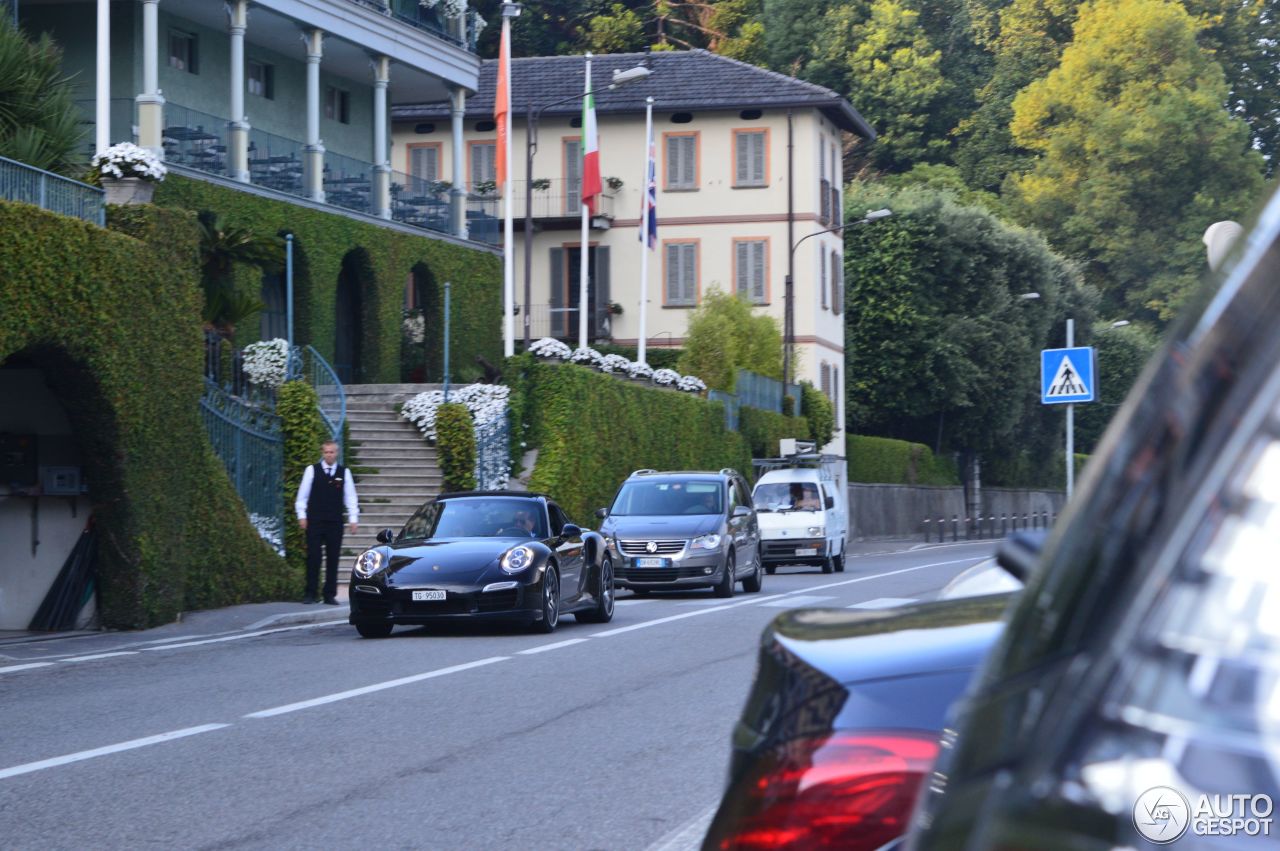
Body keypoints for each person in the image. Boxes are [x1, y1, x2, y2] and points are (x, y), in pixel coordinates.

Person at [295, 439, 359, 605]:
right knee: (313, 556)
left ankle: (329, 594)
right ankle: (310, 593)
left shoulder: (344, 473)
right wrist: (302, 515)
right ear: (322, 453)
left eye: (332, 452)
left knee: (333, 557)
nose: (329, 455)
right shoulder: (312, 471)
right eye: (326, 452)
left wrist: (353, 518)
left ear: (336, 453)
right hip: (315, 520)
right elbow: (302, 495)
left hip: (334, 521)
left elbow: (350, 497)